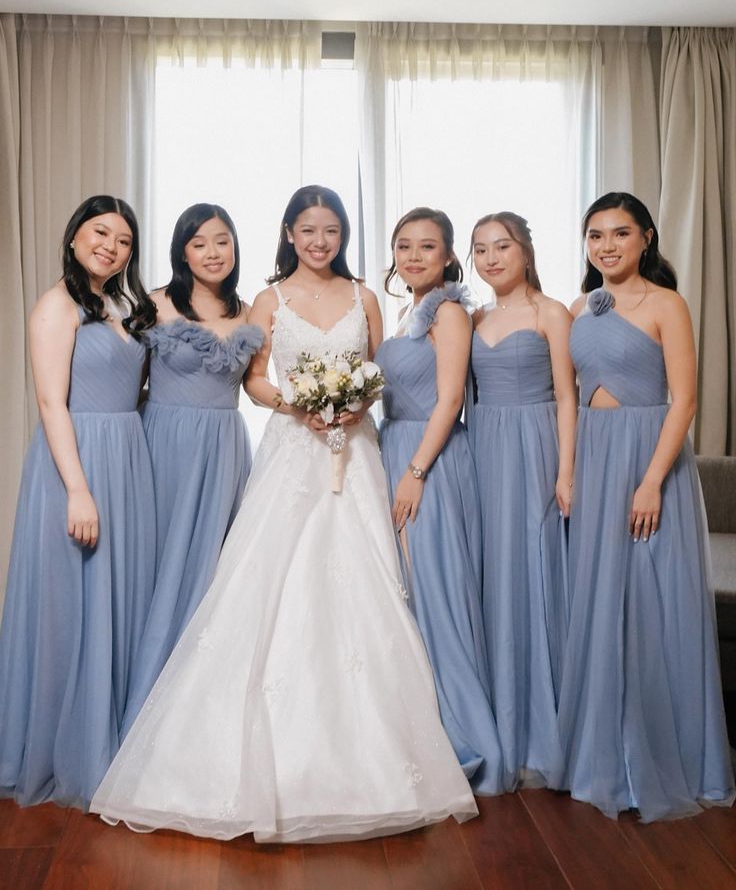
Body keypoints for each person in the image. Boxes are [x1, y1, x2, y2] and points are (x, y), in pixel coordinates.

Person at [90, 185, 477, 842]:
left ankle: (369, 755)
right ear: (289, 234)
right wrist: (300, 402)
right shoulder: (266, 299)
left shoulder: (366, 297)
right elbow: (256, 379)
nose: (318, 241)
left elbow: (382, 372)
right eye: (307, 230)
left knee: (362, 588)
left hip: (355, 455)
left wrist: (355, 401)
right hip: (291, 452)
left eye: (329, 230)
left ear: (343, 235)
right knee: (261, 586)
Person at [557, 191, 735, 821]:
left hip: (649, 460)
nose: (607, 246)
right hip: (597, 460)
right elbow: (570, 401)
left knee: (653, 603)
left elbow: (684, 400)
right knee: (600, 599)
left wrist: (653, 480)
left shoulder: (668, 304)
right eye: (596, 235)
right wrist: (569, 473)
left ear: (647, 238)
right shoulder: (581, 306)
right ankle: (599, 750)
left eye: (620, 234)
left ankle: (663, 755)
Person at [0, 195, 156, 810]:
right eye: (100, 233)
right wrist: (78, 489)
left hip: (127, 457)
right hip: (78, 463)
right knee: (72, 604)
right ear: (74, 237)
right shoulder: (55, 306)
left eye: (123, 240)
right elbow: (50, 404)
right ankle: (63, 750)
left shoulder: (127, 307)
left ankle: (114, 740)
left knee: (120, 599)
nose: (111, 247)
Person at [374, 207, 504, 796]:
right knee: (399, 594)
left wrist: (416, 471)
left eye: (428, 246)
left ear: (450, 256)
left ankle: (460, 732)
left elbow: (450, 399)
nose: (414, 256)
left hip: (430, 458)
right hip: (390, 448)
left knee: (434, 592)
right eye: (404, 246)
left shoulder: (449, 312)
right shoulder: (404, 314)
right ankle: (406, 728)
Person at [121, 204, 263, 735]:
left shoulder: (250, 310)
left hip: (224, 448)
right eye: (200, 242)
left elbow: (258, 384)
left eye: (222, 241)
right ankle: (146, 706)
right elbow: (125, 380)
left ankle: (200, 714)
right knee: (159, 566)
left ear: (234, 247)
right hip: (164, 443)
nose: (212, 252)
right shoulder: (154, 304)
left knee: (214, 574)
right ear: (183, 250)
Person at [467, 212, 576, 791]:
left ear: (525, 251)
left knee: (534, 574)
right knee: (492, 574)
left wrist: (565, 469)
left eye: (501, 246)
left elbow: (566, 395)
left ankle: (541, 730)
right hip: (483, 448)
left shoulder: (551, 313)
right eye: (480, 249)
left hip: (534, 446)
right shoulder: (474, 315)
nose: (490, 258)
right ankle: (495, 722)